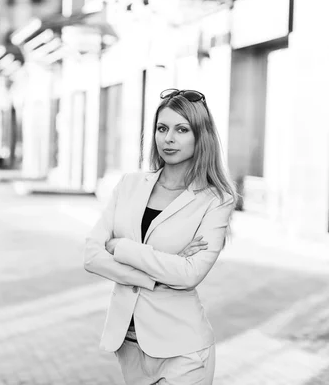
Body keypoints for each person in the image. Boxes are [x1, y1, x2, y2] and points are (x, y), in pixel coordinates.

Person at [84, 88, 237, 385]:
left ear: (200, 136)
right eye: (162, 128)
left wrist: (121, 247)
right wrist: (158, 272)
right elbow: (91, 256)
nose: (168, 138)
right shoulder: (129, 185)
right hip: (129, 345)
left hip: (184, 351)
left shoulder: (216, 199)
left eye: (182, 129)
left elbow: (189, 275)